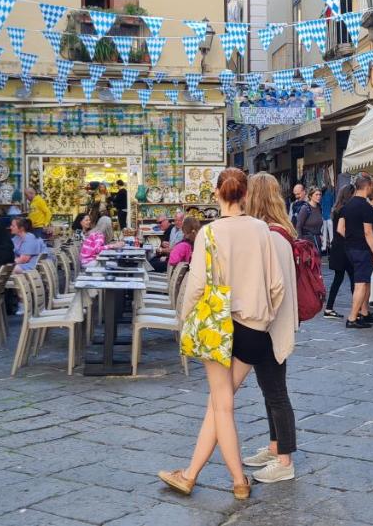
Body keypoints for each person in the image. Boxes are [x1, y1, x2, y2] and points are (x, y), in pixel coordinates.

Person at [159, 168, 286, 501]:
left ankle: (238, 481)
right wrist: (265, 315)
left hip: (219, 326)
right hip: (254, 328)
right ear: (245, 194)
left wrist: (184, 318)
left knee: (222, 406)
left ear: (217, 193)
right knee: (218, 405)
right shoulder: (262, 230)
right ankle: (188, 475)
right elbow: (277, 285)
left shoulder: (208, 232)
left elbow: (197, 285)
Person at [239, 172, 299, 483]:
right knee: (269, 390)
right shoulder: (276, 233)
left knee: (276, 393)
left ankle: (285, 461)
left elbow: (272, 288)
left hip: (270, 326)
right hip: (271, 324)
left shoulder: (272, 237)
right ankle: (276, 447)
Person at [338, 174, 373, 328]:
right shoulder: (366, 207)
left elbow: (340, 229)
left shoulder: (347, 205)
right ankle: (352, 318)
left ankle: (364, 313)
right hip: (362, 249)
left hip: (350, 248)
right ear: (368, 187)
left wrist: (351, 237)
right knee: (361, 284)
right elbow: (368, 232)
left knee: (365, 282)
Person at [322, 190, 350, 319]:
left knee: (338, 279)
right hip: (345, 248)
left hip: (337, 247)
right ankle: (360, 310)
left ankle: (329, 308)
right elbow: (341, 229)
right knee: (354, 278)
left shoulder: (336, 209)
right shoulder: (345, 210)